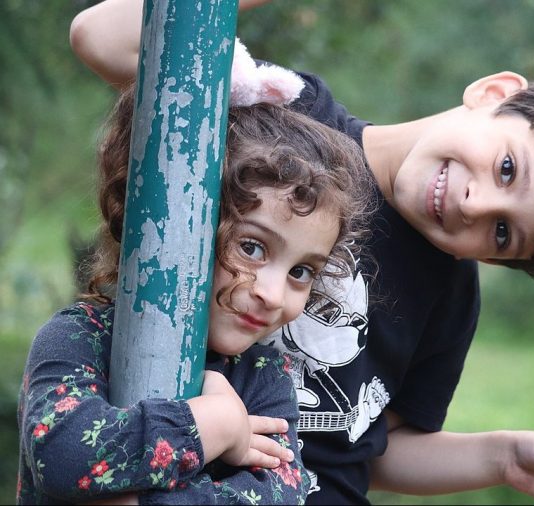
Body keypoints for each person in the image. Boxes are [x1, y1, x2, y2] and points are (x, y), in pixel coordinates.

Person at [69, 1, 534, 504]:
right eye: (508, 168)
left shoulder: (449, 295)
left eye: (504, 234)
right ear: (493, 94)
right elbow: (102, 38)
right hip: (161, 459)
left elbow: (380, 449)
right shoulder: (286, 121)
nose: (474, 203)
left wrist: (502, 455)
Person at [17, 46, 375, 505]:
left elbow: (280, 495)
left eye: (302, 271)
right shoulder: (78, 337)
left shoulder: (265, 377)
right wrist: (211, 426)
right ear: (179, 226)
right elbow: (64, 456)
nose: (272, 293)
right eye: (251, 247)